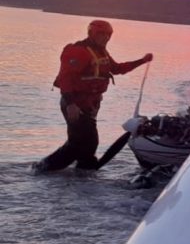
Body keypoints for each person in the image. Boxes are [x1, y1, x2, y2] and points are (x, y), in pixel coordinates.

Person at [32, 20, 153, 173]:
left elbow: (117, 69)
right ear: (91, 34)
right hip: (74, 104)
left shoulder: (101, 52)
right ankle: (41, 169)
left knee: (85, 144)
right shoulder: (78, 51)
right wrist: (71, 104)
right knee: (81, 143)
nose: (105, 38)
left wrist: (142, 61)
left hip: (89, 105)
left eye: (108, 35)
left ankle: (83, 176)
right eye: (101, 34)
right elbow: (66, 78)